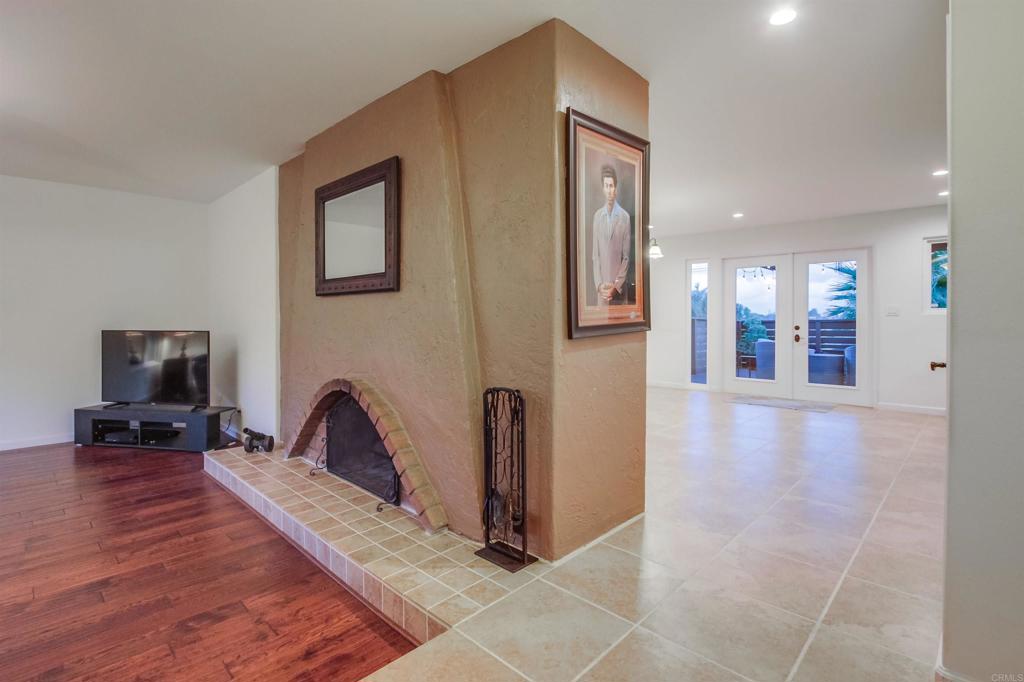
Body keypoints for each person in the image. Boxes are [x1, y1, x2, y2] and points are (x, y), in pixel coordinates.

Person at [591, 164, 631, 305]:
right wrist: (599, 285)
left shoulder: (625, 217)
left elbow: (626, 257)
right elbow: (595, 256)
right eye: (607, 186)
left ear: (616, 188)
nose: (609, 190)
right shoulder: (597, 216)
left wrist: (616, 285)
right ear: (603, 188)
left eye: (612, 186)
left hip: (619, 291)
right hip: (602, 292)